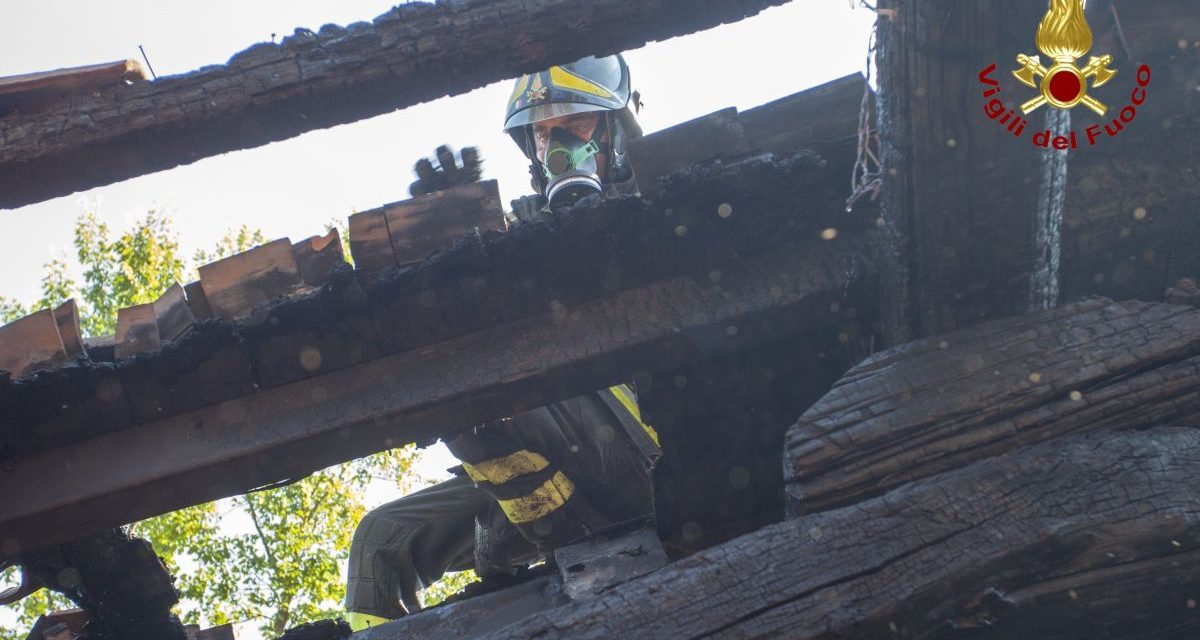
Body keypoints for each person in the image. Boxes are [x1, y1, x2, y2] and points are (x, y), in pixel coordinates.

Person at [343, 53, 657, 631]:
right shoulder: (519, 228)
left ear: (615, 132)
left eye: (578, 125)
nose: (558, 145)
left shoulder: (655, 205)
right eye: (542, 132)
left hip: (640, 446)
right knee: (380, 542)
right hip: (536, 445)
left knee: (496, 391)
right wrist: (453, 232)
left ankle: (568, 535)